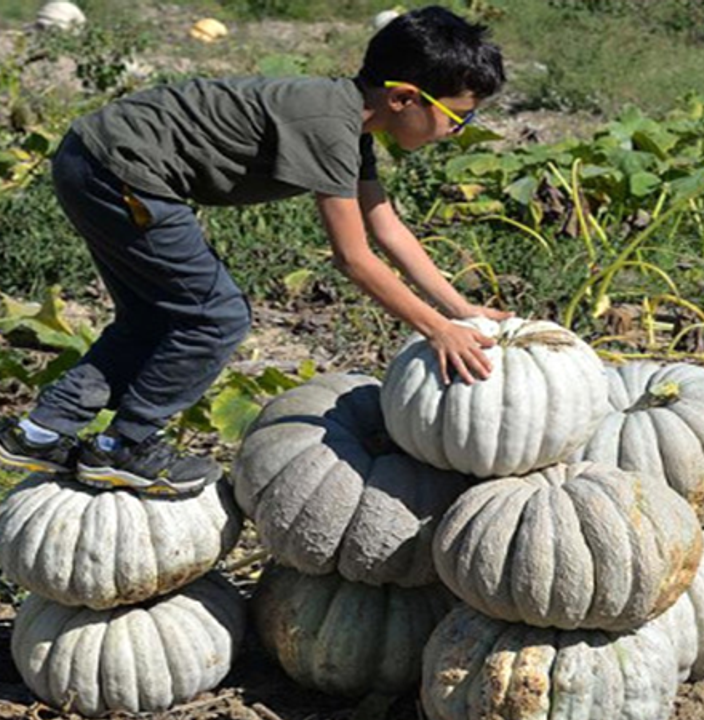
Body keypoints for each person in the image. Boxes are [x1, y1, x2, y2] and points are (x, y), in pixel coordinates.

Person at [0, 6, 507, 496]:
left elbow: (386, 227)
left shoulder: (349, 127)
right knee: (215, 317)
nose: (457, 132)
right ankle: (122, 446)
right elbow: (353, 258)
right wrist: (436, 330)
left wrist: (461, 311)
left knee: (151, 318)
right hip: (120, 171)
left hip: (97, 160)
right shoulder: (329, 127)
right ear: (403, 99)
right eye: (455, 118)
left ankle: (42, 433)